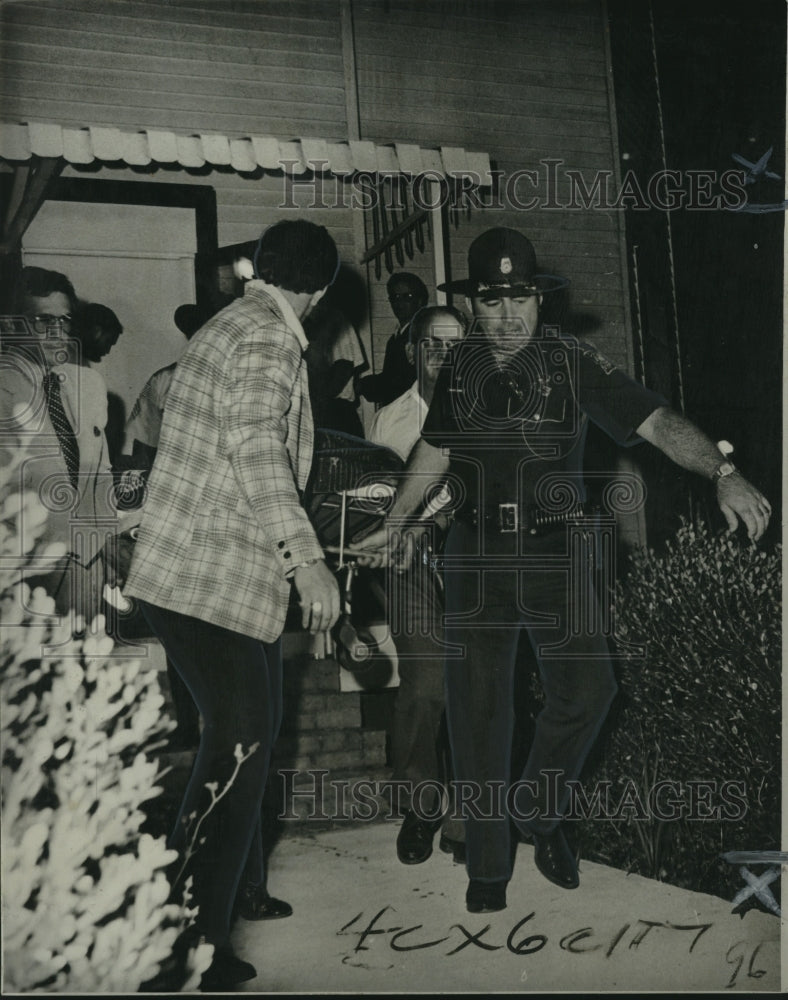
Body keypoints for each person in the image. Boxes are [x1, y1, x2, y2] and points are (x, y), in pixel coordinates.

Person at [351, 227, 771, 915]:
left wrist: (722, 471)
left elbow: (659, 422)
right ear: (476, 306)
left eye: (520, 299)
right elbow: (436, 446)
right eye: (493, 301)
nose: (509, 315)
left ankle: (538, 816)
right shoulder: (459, 371)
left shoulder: (577, 365)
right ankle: (487, 869)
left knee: (591, 692)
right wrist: (397, 521)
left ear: (539, 302)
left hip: (558, 551)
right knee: (479, 711)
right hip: (475, 555)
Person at [123, 220, 342, 991]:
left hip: (206, 581)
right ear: (319, 292)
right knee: (242, 741)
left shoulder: (233, 322)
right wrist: (307, 558)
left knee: (249, 734)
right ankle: (184, 949)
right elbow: (257, 448)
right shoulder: (270, 336)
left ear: (264, 268)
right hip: (203, 581)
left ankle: (226, 901)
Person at [367, 306, 467, 866]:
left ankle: (468, 815)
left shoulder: (485, 407)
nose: (444, 355)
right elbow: (377, 496)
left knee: (477, 683)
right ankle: (422, 804)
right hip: (410, 562)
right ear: (413, 352)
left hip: (475, 559)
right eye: (433, 344)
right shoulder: (389, 420)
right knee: (428, 682)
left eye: (456, 344)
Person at [0, 266, 119, 625]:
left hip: (84, 562)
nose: (57, 333)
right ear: (9, 326)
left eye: (64, 320)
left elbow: (99, 474)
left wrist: (105, 548)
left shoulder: (89, 386)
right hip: (20, 567)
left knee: (82, 663)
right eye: (42, 321)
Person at [357, 272, 428, 406]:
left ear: (420, 300)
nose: (399, 302)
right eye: (395, 297)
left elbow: (398, 384)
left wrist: (362, 385)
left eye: (407, 296)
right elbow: (390, 378)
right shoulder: (396, 338)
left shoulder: (420, 335)